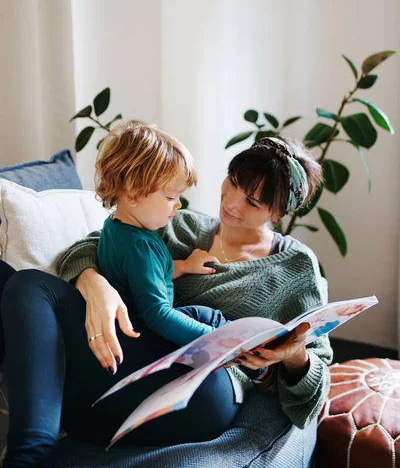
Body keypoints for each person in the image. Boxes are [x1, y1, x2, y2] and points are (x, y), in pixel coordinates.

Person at [0, 135, 332, 468]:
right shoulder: (182, 226)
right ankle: (31, 452)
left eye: (252, 202)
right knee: (22, 283)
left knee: (32, 289)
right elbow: (97, 243)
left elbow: (317, 381)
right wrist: (94, 283)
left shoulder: (296, 267)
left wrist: (294, 355)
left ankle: (40, 447)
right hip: (132, 363)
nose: (232, 203)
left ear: (278, 211)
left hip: (205, 383)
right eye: (232, 183)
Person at [95, 121, 227, 349]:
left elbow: (148, 276)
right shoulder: (138, 246)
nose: (178, 205)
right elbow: (157, 314)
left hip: (143, 327)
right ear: (133, 194)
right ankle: (250, 357)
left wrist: (184, 266)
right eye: (170, 197)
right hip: (143, 336)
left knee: (207, 316)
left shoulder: (117, 227)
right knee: (211, 319)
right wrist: (215, 342)